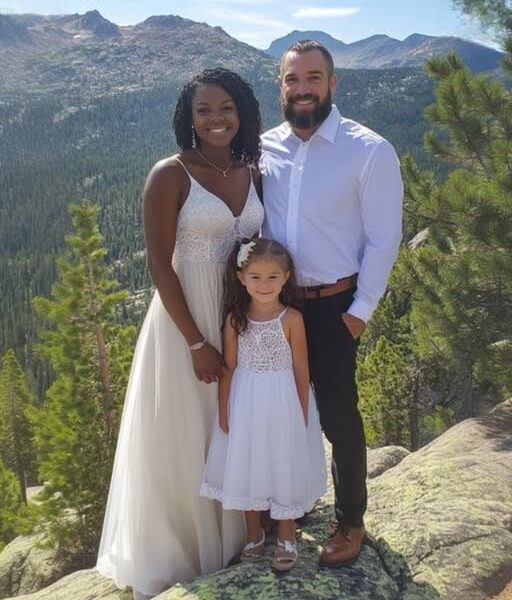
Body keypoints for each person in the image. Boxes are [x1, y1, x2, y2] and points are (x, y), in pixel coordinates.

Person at [96, 68, 264, 600]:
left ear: (242, 113)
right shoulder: (169, 175)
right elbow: (159, 265)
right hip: (185, 319)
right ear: (188, 118)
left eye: (226, 108)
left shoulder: (252, 171)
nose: (216, 119)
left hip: (238, 320)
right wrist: (195, 341)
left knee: (234, 423)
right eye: (203, 110)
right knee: (188, 430)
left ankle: (241, 533)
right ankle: (185, 547)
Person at [260, 40, 403, 567]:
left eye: (313, 78)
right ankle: (286, 509)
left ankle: (350, 520)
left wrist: (358, 313)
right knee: (276, 408)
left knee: (338, 416)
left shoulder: (369, 151)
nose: (302, 89)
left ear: (332, 83)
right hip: (274, 304)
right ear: (281, 86)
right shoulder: (264, 148)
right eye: (292, 79)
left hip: (333, 305)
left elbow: (384, 239)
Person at [200, 238, 326, 571]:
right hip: (246, 401)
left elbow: (301, 369)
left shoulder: (292, 319)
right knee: (248, 462)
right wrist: (224, 409)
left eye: (272, 277)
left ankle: (286, 532)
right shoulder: (235, 320)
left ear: (286, 277)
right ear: (241, 278)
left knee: (284, 460)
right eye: (255, 277)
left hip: (283, 401)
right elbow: (229, 368)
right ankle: (254, 534)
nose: (264, 284)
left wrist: (302, 412)